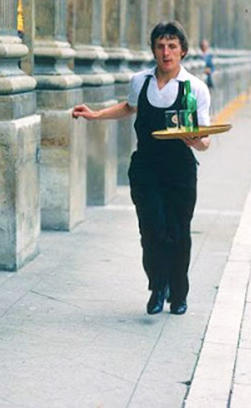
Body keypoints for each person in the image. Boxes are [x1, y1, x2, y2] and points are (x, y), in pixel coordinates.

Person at [72, 21, 211, 316]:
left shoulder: (195, 88)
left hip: (180, 171)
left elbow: (206, 140)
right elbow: (128, 107)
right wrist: (96, 115)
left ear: (183, 51)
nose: (166, 52)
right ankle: (157, 287)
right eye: (160, 46)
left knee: (178, 232)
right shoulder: (141, 81)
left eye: (172, 46)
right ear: (153, 50)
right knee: (151, 231)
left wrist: (195, 141)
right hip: (146, 169)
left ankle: (179, 293)